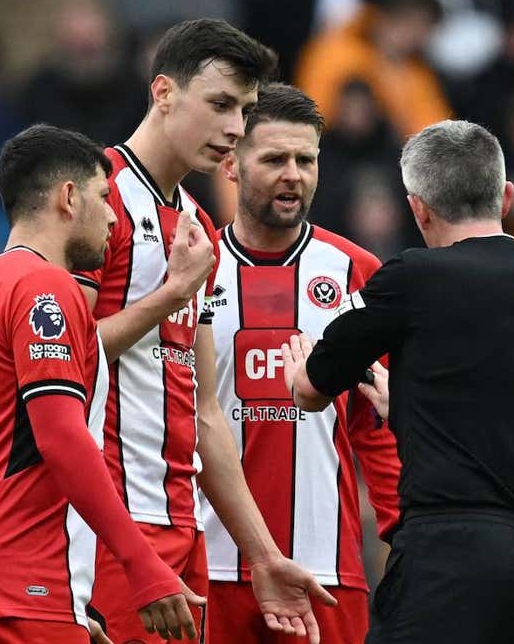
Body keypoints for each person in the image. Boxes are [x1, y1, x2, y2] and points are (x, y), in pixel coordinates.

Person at [71, 18, 335, 644]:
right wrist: (172, 295)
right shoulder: (91, 197)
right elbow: (59, 362)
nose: (234, 129)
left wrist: (264, 555)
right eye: (220, 105)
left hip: (181, 524)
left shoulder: (194, 224)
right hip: (105, 527)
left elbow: (207, 411)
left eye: (243, 110)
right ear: (163, 93)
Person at [283, 119, 514, 643]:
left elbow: (315, 386)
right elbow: (503, 416)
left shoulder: (412, 278)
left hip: (446, 556)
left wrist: (302, 370)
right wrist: (404, 408)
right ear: (507, 197)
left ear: (418, 207)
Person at [0, 124, 203, 643]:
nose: (113, 216)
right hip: (10, 589)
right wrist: (142, 564)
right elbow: (61, 438)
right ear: (69, 198)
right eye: (104, 198)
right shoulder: (47, 285)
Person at [202, 83, 402, 644]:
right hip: (209, 565)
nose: (293, 174)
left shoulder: (354, 270)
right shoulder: (192, 270)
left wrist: (403, 534)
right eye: (273, 159)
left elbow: (377, 424)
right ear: (231, 166)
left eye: (305, 160)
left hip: (325, 568)